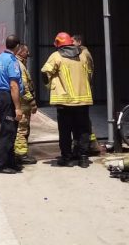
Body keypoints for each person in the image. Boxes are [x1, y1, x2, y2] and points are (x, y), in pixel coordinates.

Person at [41, 32, 93, 167]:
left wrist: (50, 86)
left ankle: (67, 158)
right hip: (83, 100)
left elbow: (45, 73)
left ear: (58, 44)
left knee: (65, 131)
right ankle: (83, 158)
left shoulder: (56, 56)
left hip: (64, 102)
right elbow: (90, 72)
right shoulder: (84, 54)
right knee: (82, 130)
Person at [0, 34, 24, 174]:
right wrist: (17, 107)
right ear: (17, 46)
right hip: (7, 97)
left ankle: (11, 162)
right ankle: (1, 165)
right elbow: (14, 86)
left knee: (10, 130)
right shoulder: (12, 61)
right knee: (8, 131)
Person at [73, 34, 99, 155]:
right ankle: (91, 144)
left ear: (79, 42)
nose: (70, 44)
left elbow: (87, 73)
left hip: (83, 91)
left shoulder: (83, 54)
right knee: (84, 120)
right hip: (83, 90)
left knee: (82, 120)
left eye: (72, 42)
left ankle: (89, 145)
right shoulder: (80, 53)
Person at [13, 44, 38, 166]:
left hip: (21, 103)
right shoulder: (20, 65)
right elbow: (24, 86)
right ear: (21, 52)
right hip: (23, 104)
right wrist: (31, 101)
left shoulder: (18, 63)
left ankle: (19, 152)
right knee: (22, 129)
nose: (28, 55)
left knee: (22, 128)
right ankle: (21, 155)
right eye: (26, 52)